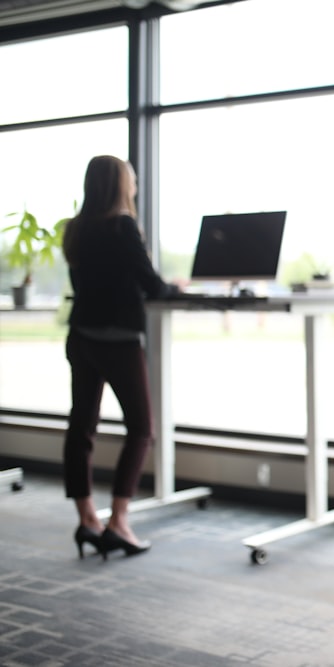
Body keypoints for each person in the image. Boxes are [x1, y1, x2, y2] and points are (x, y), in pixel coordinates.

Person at [61, 155, 179, 561]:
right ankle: (120, 521)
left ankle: (87, 518)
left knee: (81, 428)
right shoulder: (123, 226)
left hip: (81, 338)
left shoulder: (75, 229)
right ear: (118, 185)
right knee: (142, 428)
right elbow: (151, 284)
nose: (135, 186)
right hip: (118, 341)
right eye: (131, 180)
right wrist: (176, 287)